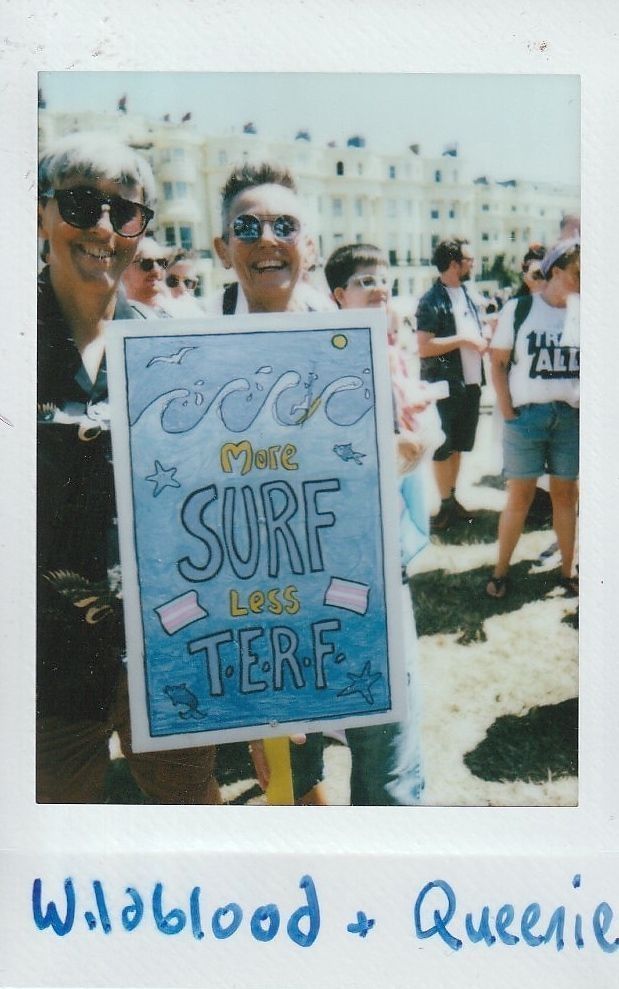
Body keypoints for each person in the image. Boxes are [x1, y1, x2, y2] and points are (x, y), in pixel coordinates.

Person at [37, 132, 221, 803]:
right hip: (41, 673)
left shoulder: (175, 354)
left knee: (193, 821)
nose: (105, 229)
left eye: (127, 213)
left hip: (168, 657)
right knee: (51, 849)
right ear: (40, 213)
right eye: (82, 205)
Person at [211, 162, 331, 805]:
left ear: (308, 246)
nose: (266, 238)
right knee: (290, 778)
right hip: (253, 603)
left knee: (384, 774)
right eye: (246, 226)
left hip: (340, 599)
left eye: (285, 225)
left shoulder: (353, 344)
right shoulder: (189, 359)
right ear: (221, 247)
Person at [324, 242, 429, 804]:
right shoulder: (328, 352)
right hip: (337, 553)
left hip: (384, 545)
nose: (379, 289)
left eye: (383, 280)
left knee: (390, 746)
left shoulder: (389, 351)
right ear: (337, 294)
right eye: (364, 281)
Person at [486, 239, 580, 599]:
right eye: (577, 273)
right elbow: (497, 363)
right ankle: (500, 570)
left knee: (565, 495)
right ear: (555, 272)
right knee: (520, 497)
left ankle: (568, 571)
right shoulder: (520, 308)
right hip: (527, 417)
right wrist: (509, 410)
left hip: (569, 418)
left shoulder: (583, 312)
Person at [415, 238, 488, 531]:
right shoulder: (431, 300)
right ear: (454, 264)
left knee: (458, 445)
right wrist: (463, 340)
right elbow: (424, 346)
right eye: (469, 259)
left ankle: (452, 499)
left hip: (468, 384)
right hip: (444, 386)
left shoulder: (467, 293)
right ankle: (445, 506)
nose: (473, 263)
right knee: (444, 447)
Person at [121, 235, 171, 314]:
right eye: (146, 264)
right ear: (123, 270)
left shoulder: (176, 310)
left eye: (161, 263)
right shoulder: (119, 315)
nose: (156, 270)